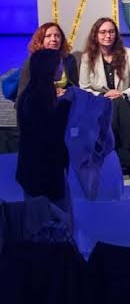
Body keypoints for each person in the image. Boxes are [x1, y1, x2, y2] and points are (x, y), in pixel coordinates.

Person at [77, 17, 130, 170]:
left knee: (117, 101)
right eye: (103, 32)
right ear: (96, 35)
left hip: (125, 106)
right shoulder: (87, 58)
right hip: (98, 106)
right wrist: (104, 96)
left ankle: (111, 157)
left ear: (116, 34)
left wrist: (121, 94)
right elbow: (84, 89)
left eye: (111, 32)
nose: (107, 36)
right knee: (112, 102)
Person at [16, 49, 72, 202]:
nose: (62, 69)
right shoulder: (36, 97)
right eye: (59, 64)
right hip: (40, 170)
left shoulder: (40, 93)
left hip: (42, 167)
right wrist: (65, 107)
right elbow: (46, 132)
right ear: (49, 67)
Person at [17, 22, 78, 100]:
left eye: (57, 36)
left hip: (65, 100)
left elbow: (74, 86)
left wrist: (65, 92)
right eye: (48, 36)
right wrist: (51, 93)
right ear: (41, 40)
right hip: (39, 101)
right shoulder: (32, 61)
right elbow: (23, 93)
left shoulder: (69, 59)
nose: (53, 39)